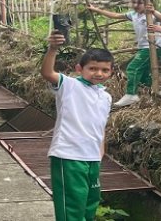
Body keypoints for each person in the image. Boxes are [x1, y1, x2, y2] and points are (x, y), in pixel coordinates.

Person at [40, 33, 113, 221]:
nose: (99, 73)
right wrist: (53, 49)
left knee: (90, 202)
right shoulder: (70, 86)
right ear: (79, 69)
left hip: (92, 157)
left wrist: (100, 151)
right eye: (93, 68)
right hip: (68, 155)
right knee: (71, 204)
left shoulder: (105, 96)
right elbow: (48, 73)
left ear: (111, 71)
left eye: (105, 70)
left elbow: (100, 125)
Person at [88, 0, 161, 107]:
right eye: (133, 3)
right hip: (144, 47)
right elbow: (115, 15)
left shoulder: (150, 14)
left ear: (145, 4)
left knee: (133, 68)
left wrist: (153, 11)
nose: (135, 5)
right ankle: (158, 90)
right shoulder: (133, 15)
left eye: (139, 3)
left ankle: (131, 95)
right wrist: (96, 9)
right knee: (145, 74)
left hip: (153, 47)